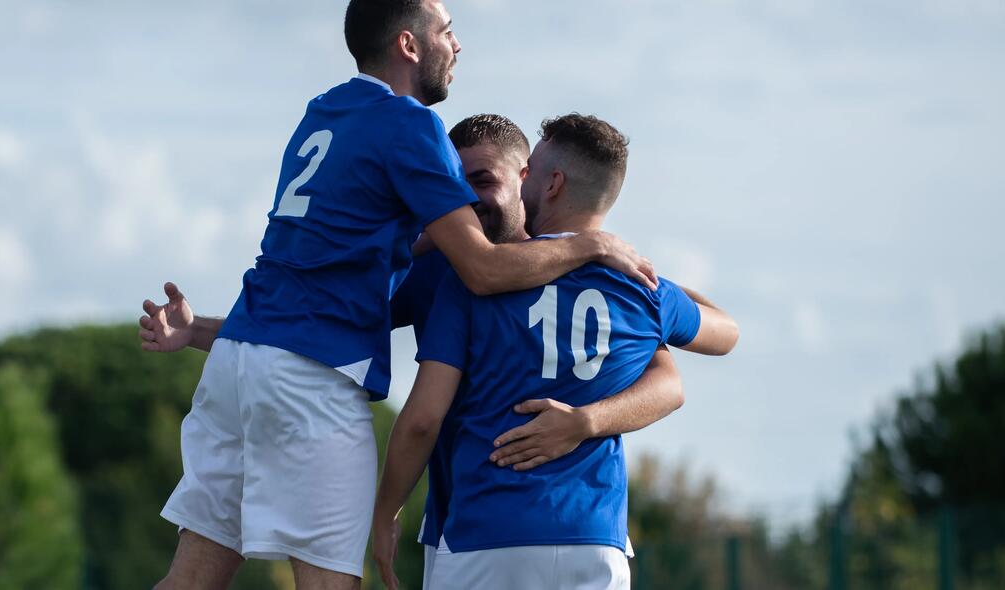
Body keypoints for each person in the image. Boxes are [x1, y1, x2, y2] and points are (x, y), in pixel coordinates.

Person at [149, 0, 656, 585]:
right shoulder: (411, 125)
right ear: (409, 46)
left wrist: (196, 332)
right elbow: (485, 269)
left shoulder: (321, 114)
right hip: (309, 384)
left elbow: (322, 278)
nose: (457, 44)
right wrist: (592, 246)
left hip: (240, 362)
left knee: (189, 579)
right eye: (446, 30)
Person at [370, 114, 740, 589]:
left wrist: (384, 513)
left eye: (485, 180)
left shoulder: (470, 282)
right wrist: (642, 277)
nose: (464, 199)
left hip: (482, 531)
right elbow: (725, 333)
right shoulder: (631, 289)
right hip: (590, 536)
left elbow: (422, 418)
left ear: (542, 182)